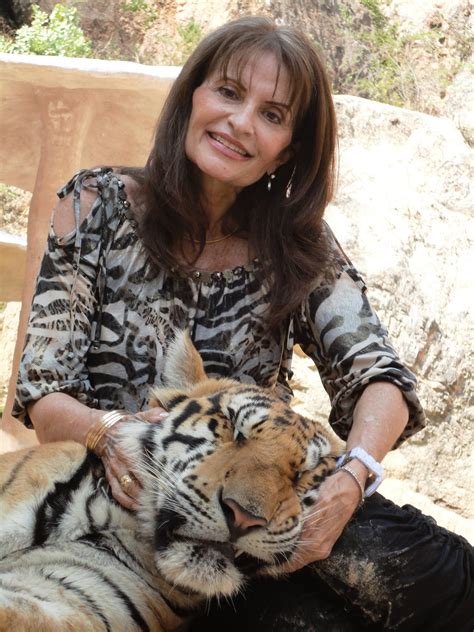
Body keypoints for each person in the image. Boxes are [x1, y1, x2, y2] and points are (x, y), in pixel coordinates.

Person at [13, 15, 473, 631]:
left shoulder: (298, 243)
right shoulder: (94, 204)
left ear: (290, 148)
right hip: (121, 498)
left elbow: (380, 379)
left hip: (262, 507)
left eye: (272, 115)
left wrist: (354, 476)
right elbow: (45, 395)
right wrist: (110, 432)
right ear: (193, 96)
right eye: (228, 93)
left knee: (438, 570)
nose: (241, 122)